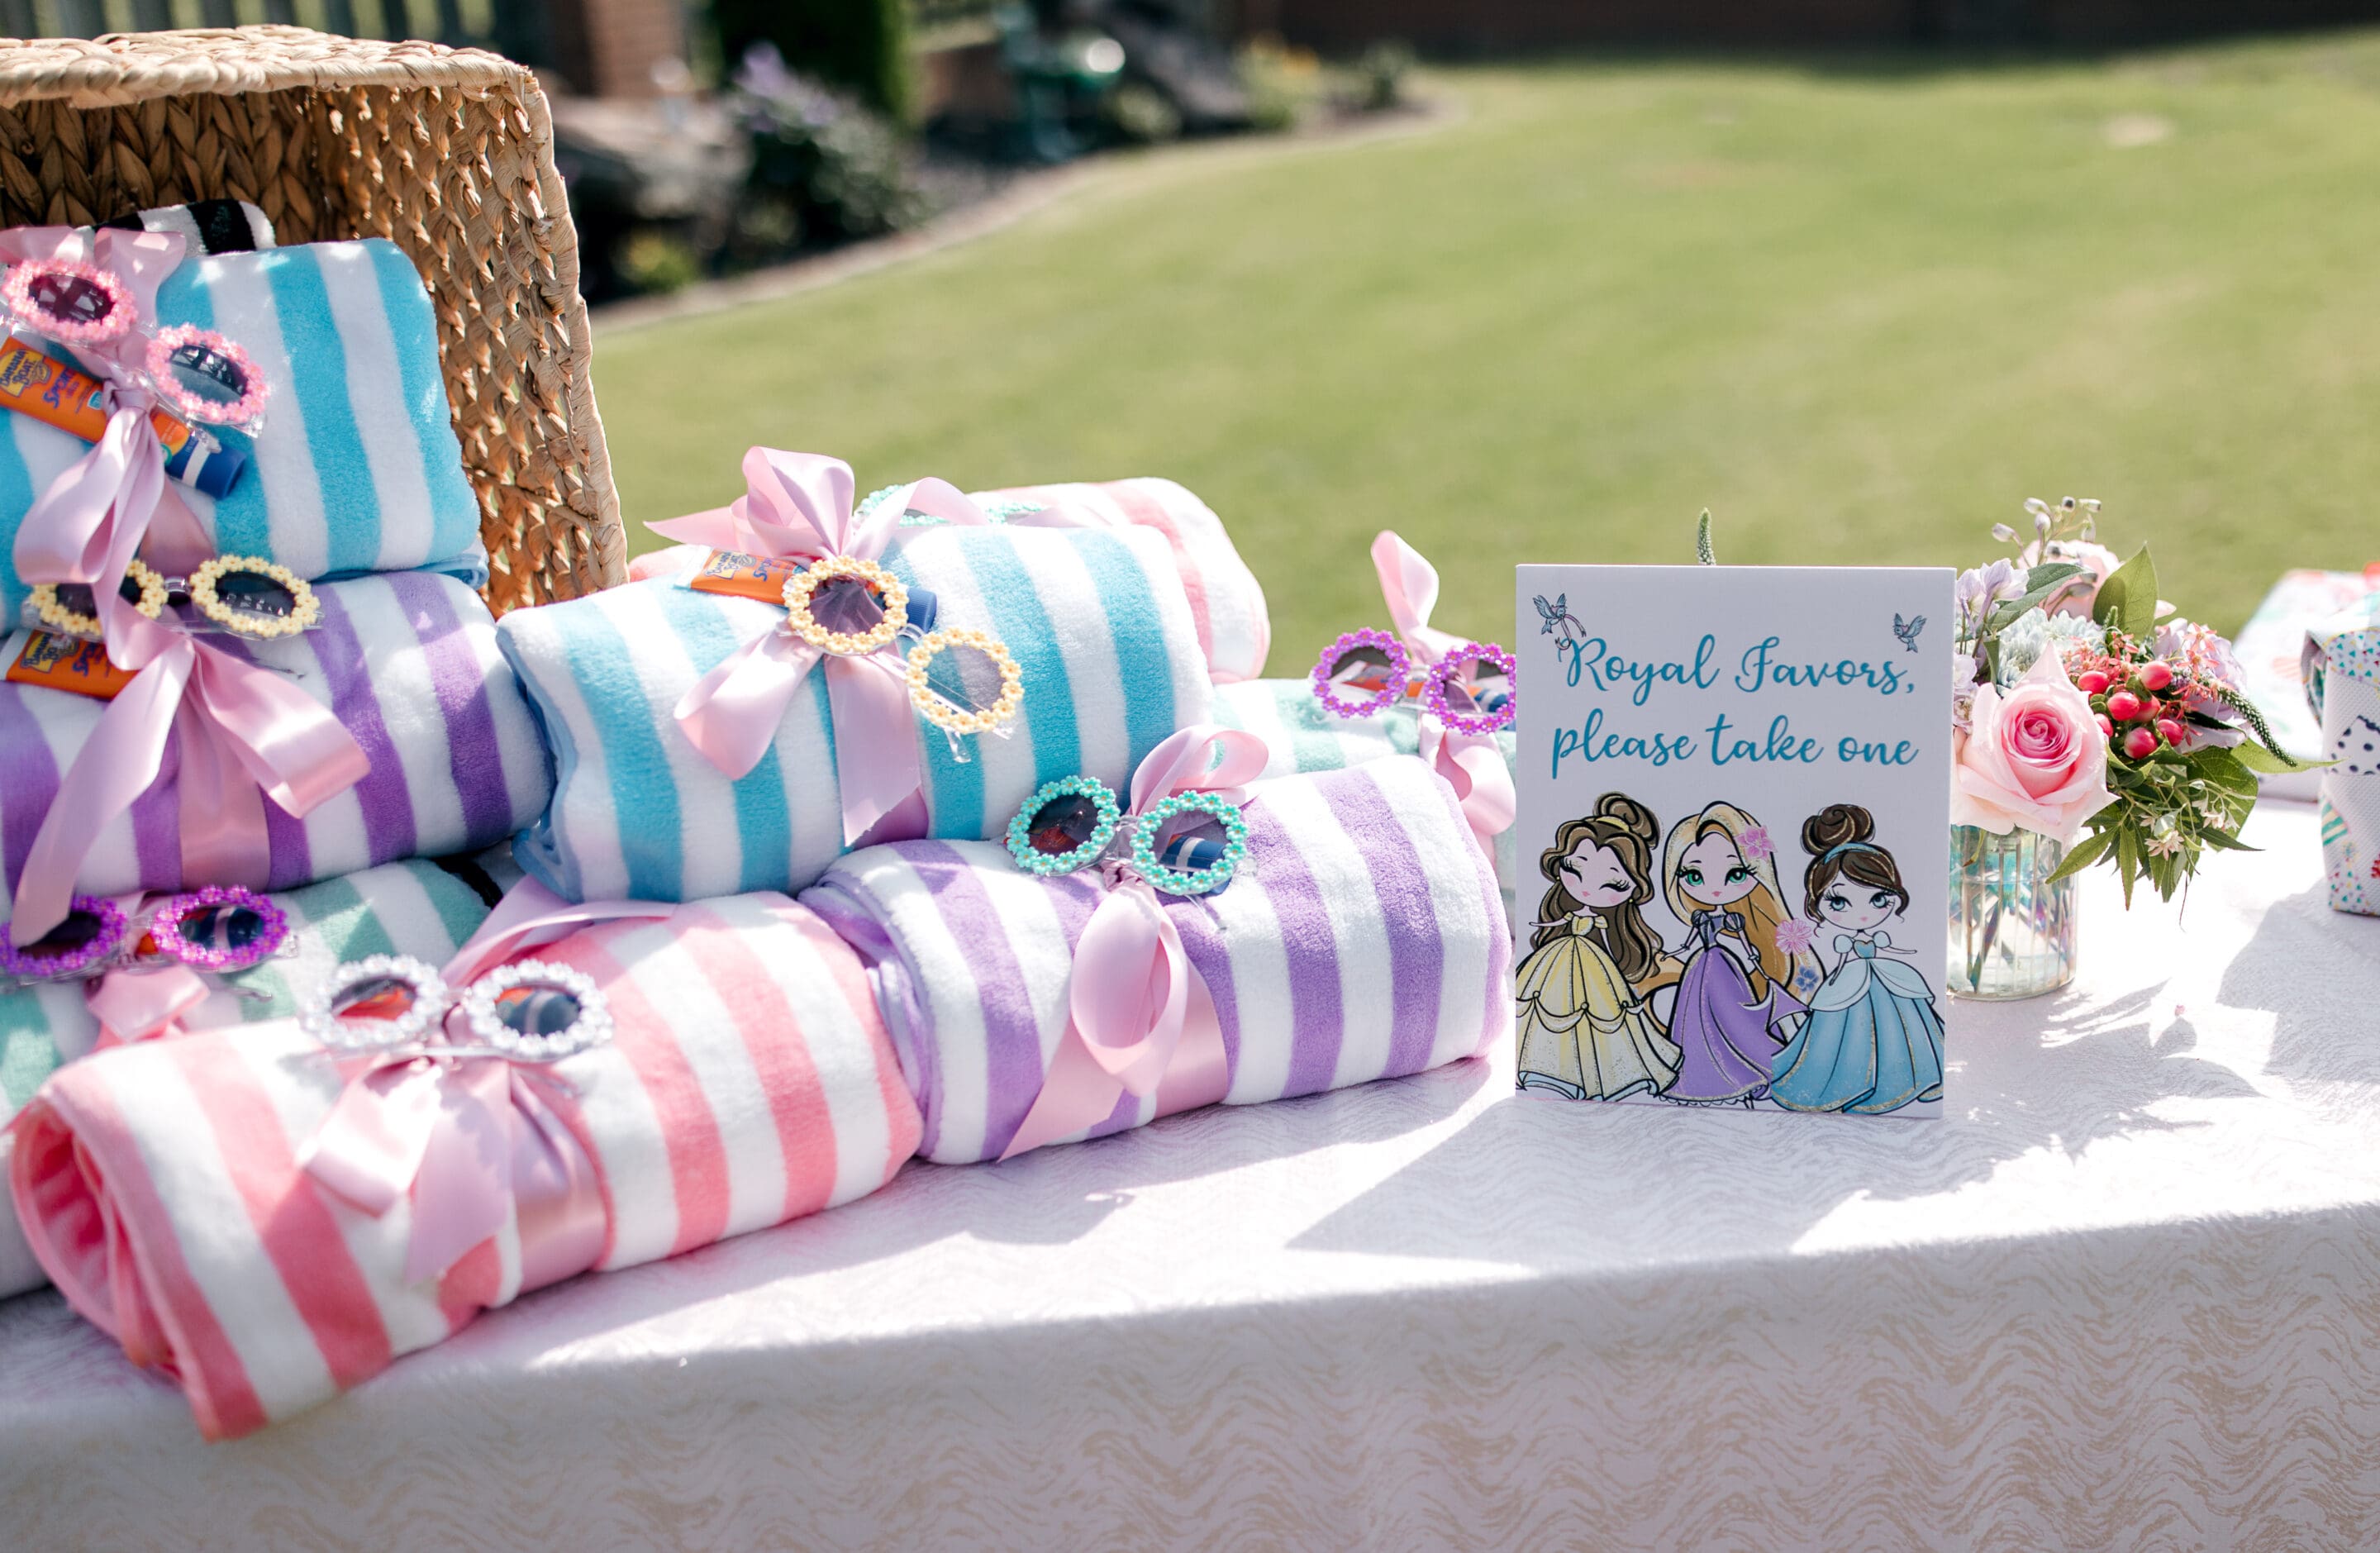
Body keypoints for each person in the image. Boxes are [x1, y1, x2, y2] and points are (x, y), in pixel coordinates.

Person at [1768, 805, 1945, 1115]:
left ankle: (1904, 1076)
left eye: (1878, 898)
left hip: (1884, 975)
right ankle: (1850, 1079)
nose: (1862, 913)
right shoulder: (1841, 941)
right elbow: (1838, 961)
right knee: (1844, 1028)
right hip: (1850, 980)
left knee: (1902, 1020)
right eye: (1838, 901)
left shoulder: (1877, 939)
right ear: (1818, 901)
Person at [1514, 794, 1683, 1102]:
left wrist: (1612, 963)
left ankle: (1593, 1073)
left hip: (1595, 966)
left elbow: (1606, 941)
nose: (1588, 887)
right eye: (1574, 869)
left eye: (1613, 883)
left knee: (1596, 1016)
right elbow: (1554, 924)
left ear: (1633, 888)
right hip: (1559, 958)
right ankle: (1550, 1066)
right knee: (1549, 1004)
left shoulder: (1603, 924)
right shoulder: (1570, 914)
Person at [1658, 801, 1813, 1107]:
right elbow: (1691, 941)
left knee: (1733, 1015)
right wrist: (1676, 951)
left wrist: (1755, 959)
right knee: (1696, 1019)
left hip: (1727, 969)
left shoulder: (1736, 919)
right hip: (1702, 967)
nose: (1714, 888)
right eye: (1693, 875)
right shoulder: (1701, 917)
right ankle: (1701, 1073)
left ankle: (1742, 1067)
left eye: (1736, 873)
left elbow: (1743, 940)